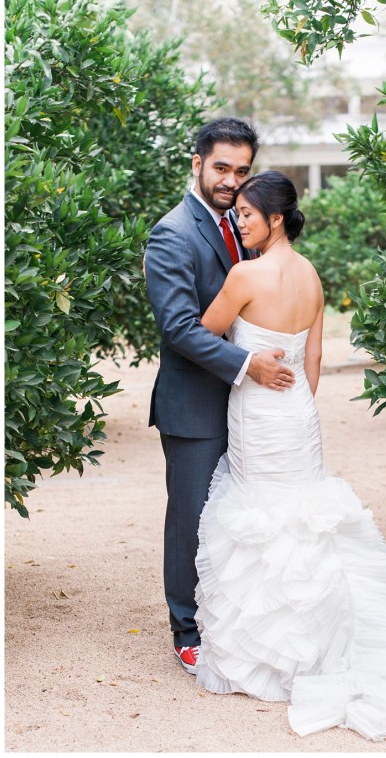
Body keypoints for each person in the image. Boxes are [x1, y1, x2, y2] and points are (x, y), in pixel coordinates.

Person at [194, 170, 386, 740]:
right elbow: (314, 361)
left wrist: (252, 369)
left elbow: (205, 331)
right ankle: (329, 637)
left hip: (258, 413)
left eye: (246, 214)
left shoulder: (245, 274)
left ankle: (274, 652)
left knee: (264, 518)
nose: (238, 222)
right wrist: (295, 397)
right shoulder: (311, 274)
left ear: (275, 218)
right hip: (298, 413)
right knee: (308, 520)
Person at [144, 119, 295, 675]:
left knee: (239, 516)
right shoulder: (172, 233)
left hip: (247, 407)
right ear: (197, 164)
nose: (232, 180)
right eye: (222, 168)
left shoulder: (242, 223)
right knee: (191, 520)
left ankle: (234, 622)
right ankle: (187, 631)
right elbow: (179, 328)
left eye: (241, 170)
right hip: (194, 406)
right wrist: (248, 364)